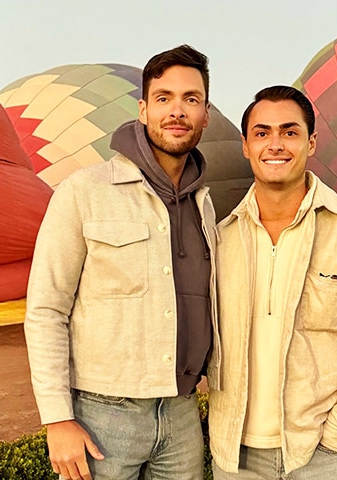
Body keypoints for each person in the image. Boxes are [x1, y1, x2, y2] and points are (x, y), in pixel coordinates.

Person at [24, 45, 218, 480]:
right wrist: (57, 418)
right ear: (143, 109)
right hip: (103, 416)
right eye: (164, 98)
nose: (177, 111)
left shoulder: (204, 205)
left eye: (191, 99)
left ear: (206, 114)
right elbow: (46, 308)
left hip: (183, 412)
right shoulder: (83, 192)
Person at [207, 86, 337, 479]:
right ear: (246, 146)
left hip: (321, 457)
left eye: (289, 131)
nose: (276, 144)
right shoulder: (221, 240)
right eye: (262, 133)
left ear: (311, 142)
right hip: (235, 460)